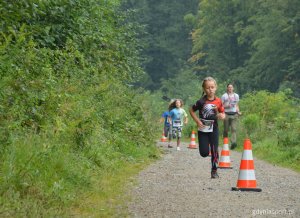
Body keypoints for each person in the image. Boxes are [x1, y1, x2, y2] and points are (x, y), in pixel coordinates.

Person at [189, 77, 225, 179]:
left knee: (214, 149)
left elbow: (222, 112)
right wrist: (197, 121)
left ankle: (214, 171)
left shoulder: (218, 101)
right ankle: (207, 147)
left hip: (214, 128)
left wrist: (222, 116)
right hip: (203, 129)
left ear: (216, 88)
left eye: (212, 87)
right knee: (204, 153)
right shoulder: (201, 102)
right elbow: (191, 110)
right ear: (204, 89)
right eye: (208, 88)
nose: (210, 89)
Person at [221, 83, 241, 150]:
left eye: (231, 87)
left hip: (234, 114)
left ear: (233, 88)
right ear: (227, 88)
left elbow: (237, 105)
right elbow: (221, 106)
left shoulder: (236, 96)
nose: (230, 88)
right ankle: (225, 142)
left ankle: (233, 143)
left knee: (234, 129)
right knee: (226, 130)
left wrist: (238, 111)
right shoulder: (224, 96)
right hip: (226, 114)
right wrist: (227, 106)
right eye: (229, 87)